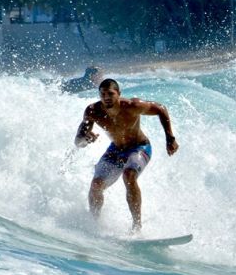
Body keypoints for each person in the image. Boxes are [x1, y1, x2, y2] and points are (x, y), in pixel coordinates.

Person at [74, 78, 179, 232]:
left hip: (139, 147)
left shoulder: (133, 106)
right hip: (115, 150)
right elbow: (78, 141)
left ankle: (137, 227)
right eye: (102, 94)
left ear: (119, 94)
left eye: (110, 93)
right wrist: (86, 138)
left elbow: (160, 109)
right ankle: (93, 224)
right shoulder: (92, 111)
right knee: (96, 185)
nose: (106, 97)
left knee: (129, 175)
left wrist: (170, 138)